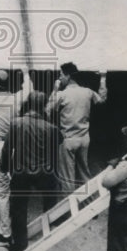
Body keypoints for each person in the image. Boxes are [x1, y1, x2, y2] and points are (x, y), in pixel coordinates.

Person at [1, 90, 62, 251]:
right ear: (44, 107)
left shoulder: (16, 123)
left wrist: (4, 167)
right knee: (51, 200)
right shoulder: (51, 127)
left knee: (19, 208)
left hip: (21, 172)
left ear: (28, 105)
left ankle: (20, 247)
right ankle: (48, 233)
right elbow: (60, 140)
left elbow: (7, 149)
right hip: (44, 172)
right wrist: (47, 120)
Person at [0, 67, 32, 243]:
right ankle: (19, 234)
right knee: (17, 189)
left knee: (2, 191)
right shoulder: (15, 99)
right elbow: (28, 90)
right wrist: (25, 73)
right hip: (15, 147)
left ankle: (5, 232)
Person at [46, 62, 108, 193]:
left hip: (68, 140)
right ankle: (90, 206)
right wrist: (103, 78)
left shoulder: (62, 94)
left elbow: (47, 110)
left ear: (68, 76)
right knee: (84, 173)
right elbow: (102, 99)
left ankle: (70, 211)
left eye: (61, 74)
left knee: (67, 178)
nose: (60, 78)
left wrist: (55, 89)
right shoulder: (88, 92)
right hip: (84, 139)